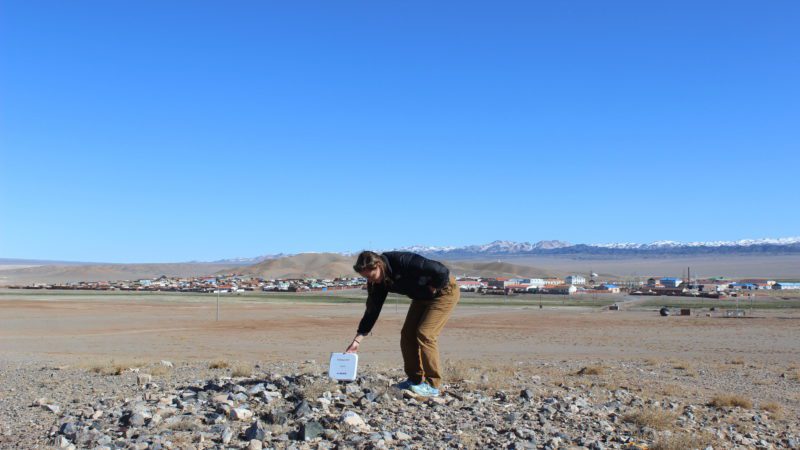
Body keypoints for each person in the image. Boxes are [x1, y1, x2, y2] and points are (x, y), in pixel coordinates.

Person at [345, 250, 460, 397]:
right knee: (407, 334)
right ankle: (414, 379)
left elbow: (441, 270)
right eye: (366, 278)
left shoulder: (402, 260)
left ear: (379, 265)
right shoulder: (377, 283)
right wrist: (357, 340)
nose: (370, 280)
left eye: (371, 276)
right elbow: (372, 310)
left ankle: (433, 385)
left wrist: (433, 286)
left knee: (425, 333)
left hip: (444, 291)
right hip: (421, 296)